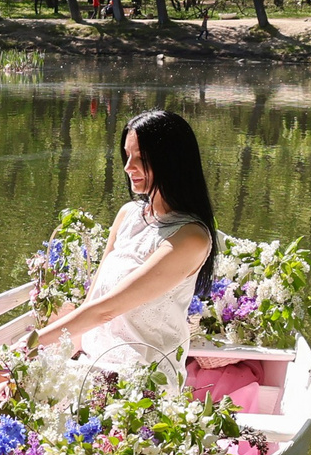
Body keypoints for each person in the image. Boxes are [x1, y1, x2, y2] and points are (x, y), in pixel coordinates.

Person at [40, 110, 217, 374]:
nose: (127, 167)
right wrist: (63, 352)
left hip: (141, 382)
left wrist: (28, 343)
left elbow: (106, 310)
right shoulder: (128, 214)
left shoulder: (190, 237)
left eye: (141, 159)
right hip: (92, 362)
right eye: (127, 156)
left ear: (172, 161)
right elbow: (94, 300)